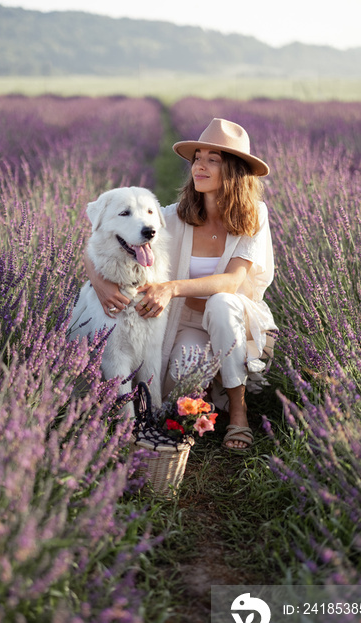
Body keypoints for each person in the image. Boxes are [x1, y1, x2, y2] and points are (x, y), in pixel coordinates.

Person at [84, 118, 277, 451]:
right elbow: (102, 235)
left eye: (211, 160)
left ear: (232, 170)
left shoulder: (254, 214)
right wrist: (98, 281)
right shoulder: (173, 216)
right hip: (187, 323)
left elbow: (232, 282)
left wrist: (171, 287)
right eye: (197, 157)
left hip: (237, 318)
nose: (198, 166)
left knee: (220, 302)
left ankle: (238, 411)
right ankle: (211, 384)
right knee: (178, 385)